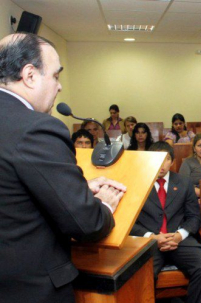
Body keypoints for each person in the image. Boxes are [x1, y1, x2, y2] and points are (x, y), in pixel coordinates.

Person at [0, 33, 126, 303]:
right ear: (30, 75)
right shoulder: (37, 128)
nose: (58, 87)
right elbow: (86, 224)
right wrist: (101, 206)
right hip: (29, 287)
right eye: (56, 76)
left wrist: (73, 189)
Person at [131, 142, 201, 303]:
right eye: (157, 159)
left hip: (179, 240)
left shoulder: (184, 182)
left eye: (166, 159)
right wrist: (151, 237)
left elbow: (194, 217)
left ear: (173, 161)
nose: (162, 164)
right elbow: (129, 221)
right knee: (140, 274)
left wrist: (179, 235)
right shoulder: (137, 183)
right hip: (148, 242)